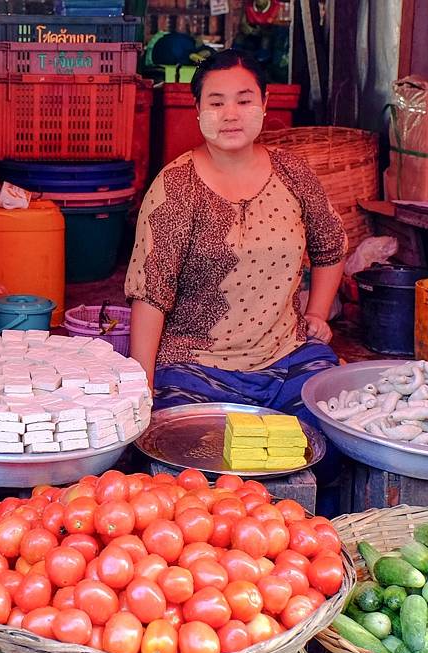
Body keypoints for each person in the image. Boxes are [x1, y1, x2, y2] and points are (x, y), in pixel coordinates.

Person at [125, 50, 346, 421]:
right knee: (198, 452)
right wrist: (140, 387)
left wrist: (318, 313)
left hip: (286, 357)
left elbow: (330, 245)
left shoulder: (292, 172)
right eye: (216, 102)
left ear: (264, 103)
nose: (230, 114)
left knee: (331, 436)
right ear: (196, 110)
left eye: (244, 101)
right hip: (195, 367)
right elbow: (150, 294)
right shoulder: (176, 186)